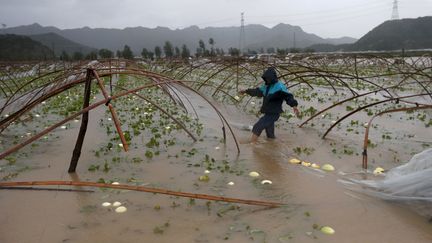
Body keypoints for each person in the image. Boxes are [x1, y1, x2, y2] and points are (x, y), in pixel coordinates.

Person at [239, 67, 299, 143]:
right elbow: (257, 92)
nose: (267, 80)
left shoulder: (279, 87)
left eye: (269, 79)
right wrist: (245, 91)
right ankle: (273, 145)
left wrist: (294, 105)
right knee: (270, 136)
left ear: (273, 78)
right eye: (266, 79)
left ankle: (252, 144)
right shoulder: (266, 87)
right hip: (268, 112)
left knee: (258, 126)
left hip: (273, 114)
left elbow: (288, 97)